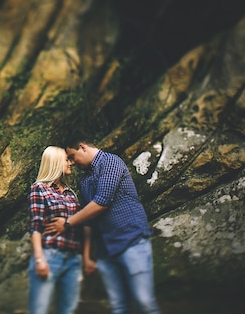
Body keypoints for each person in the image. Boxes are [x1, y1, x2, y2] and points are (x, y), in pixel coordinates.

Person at [44, 130, 161, 314]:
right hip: (106, 251)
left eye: (72, 157)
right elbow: (88, 220)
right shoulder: (84, 181)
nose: (72, 163)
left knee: (144, 302)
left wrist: (67, 223)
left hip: (131, 240)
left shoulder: (111, 162)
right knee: (118, 306)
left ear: (82, 147)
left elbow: (102, 202)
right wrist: (89, 256)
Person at [27, 145, 94, 314]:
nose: (70, 163)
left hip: (73, 259)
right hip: (50, 255)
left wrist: (85, 257)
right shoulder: (39, 189)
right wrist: (39, 259)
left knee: (68, 310)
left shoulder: (71, 193)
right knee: (39, 310)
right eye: (66, 159)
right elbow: (36, 226)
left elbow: (84, 225)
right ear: (55, 162)